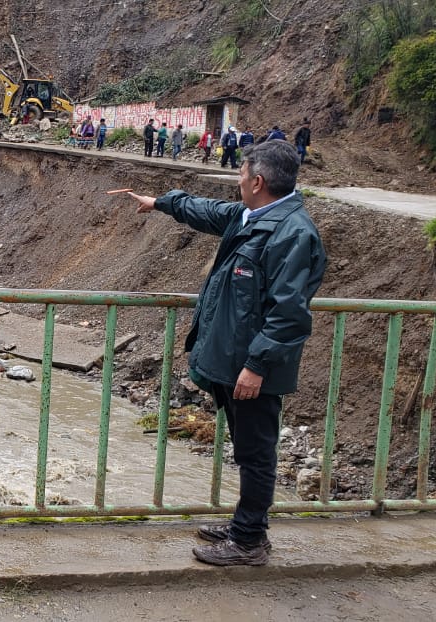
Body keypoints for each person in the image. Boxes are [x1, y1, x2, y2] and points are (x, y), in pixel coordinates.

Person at [122, 140, 326, 567]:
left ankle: (249, 540)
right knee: (246, 449)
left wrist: (256, 366)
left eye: (240, 174)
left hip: (254, 366)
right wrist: (160, 202)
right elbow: (205, 210)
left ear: (257, 180)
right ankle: (244, 525)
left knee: (256, 452)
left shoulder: (293, 233)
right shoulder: (253, 217)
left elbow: (288, 314)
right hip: (235, 362)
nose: (236, 182)